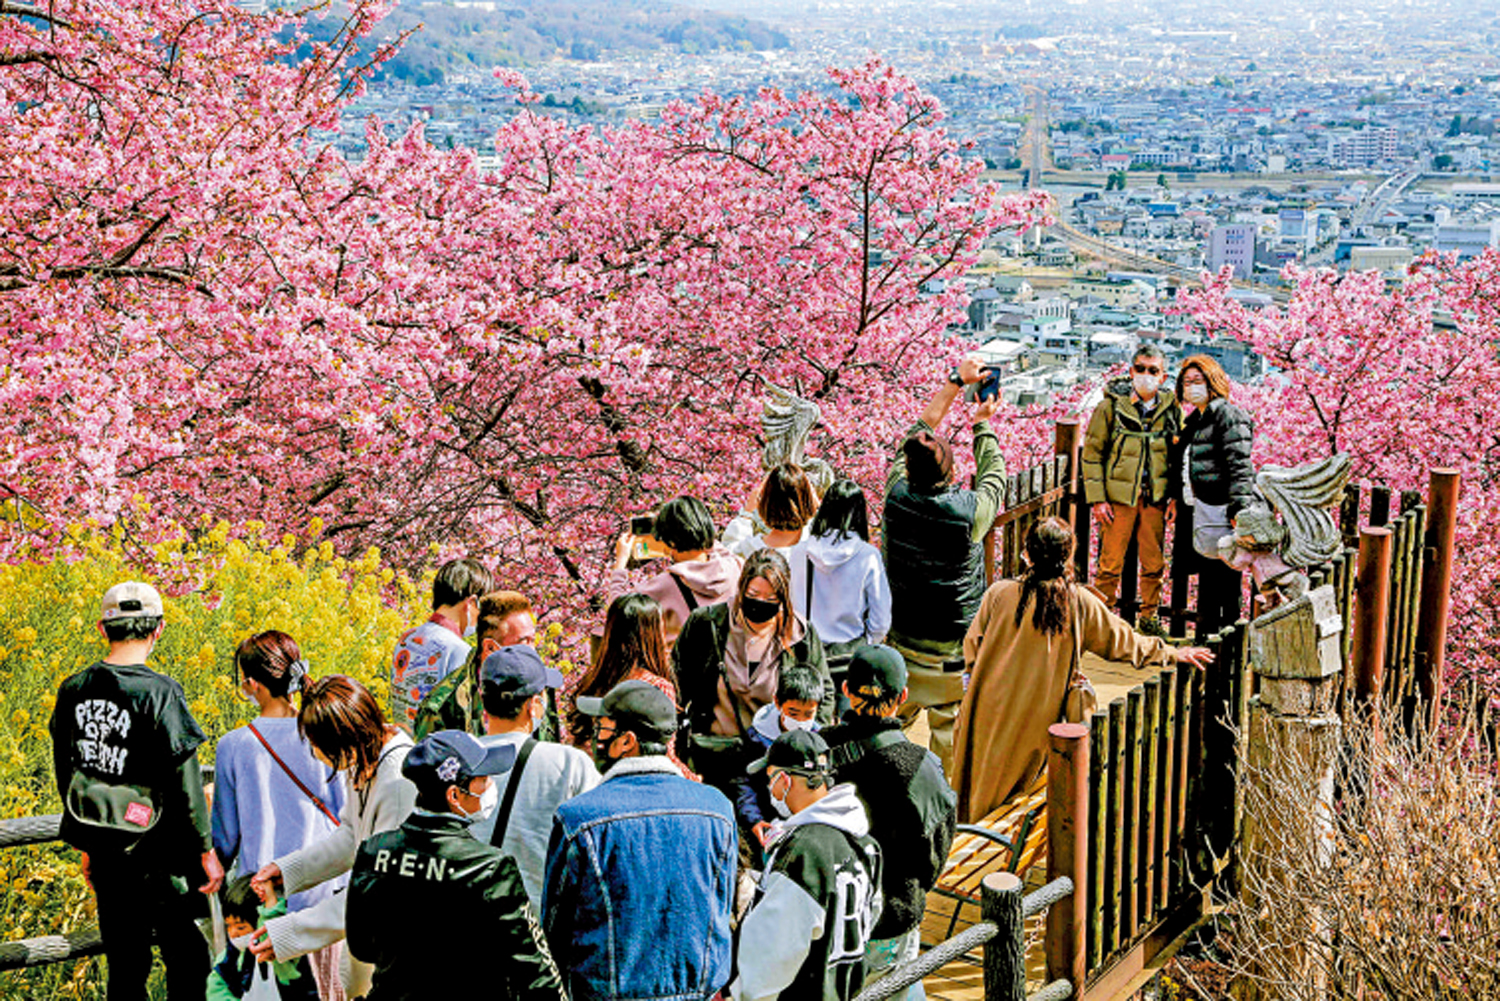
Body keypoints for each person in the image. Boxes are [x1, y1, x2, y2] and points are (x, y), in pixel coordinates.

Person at [952, 518, 1215, 823]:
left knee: (981, 783)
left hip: (986, 707)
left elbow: (972, 647)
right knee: (1017, 795)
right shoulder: (1079, 603)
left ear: (1027, 553)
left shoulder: (999, 594)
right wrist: (1172, 653)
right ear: (1069, 555)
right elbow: (1125, 642)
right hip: (1036, 718)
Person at [50, 581, 223, 1001]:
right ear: (157, 629)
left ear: (101, 628)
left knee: (125, 969)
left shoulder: (73, 689)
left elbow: (67, 775)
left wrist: (89, 844)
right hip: (163, 861)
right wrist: (206, 851)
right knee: (188, 962)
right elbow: (186, 782)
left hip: (109, 860)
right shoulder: (160, 692)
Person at [543, 680, 736, 1001]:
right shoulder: (718, 809)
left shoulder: (578, 818)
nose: (595, 738)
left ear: (626, 742)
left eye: (602, 728)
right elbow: (722, 906)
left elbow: (555, 930)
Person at [346, 730, 566, 1001]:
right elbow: (535, 971)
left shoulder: (374, 851)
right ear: (454, 795)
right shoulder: (491, 868)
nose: (489, 786)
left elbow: (362, 947)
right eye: (482, 779)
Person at [249, 676, 416, 999]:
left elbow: (379, 894)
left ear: (346, 739)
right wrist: (289, 871)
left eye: (317, 744)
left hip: (397, 960)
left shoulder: (398, 782)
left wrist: (290, 933)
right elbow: (351, 837)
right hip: (373, 949)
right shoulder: (366, 758)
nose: (314, 752)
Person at [883, 356, 1006, 775]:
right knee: (948, 733)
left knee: (891, 716)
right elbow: (994, 479)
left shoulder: (895, 497)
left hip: (902, 634)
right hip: (953, 643)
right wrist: (982, 423)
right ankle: (946, 801)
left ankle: (883, 778)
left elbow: (917, 434)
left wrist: (954, 382)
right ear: (951, 470)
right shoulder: (967, 512)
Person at [212, 631, 346, 996]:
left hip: (260, 901)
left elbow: (225, 837)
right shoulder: (323, 732)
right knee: (324, 991)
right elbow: (345, 815)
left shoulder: (234, 746)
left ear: (251, 684)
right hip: (322, 898)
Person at [820, 645, 957, 1000]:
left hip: (825, 918)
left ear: (846, 690)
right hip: (890, 918)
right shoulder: (920, 767)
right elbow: (935, 851)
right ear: (904, 697)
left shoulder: (815, 754)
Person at [730, 730, 883, 1001]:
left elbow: (772, 955)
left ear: (783, 780)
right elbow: (873, 912)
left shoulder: (802, 855)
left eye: (770, 779)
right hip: (845, 988)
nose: (770, 789)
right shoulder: (866, 841)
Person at [673, 548, 834, 789]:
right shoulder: (707, 624)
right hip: (713, 754)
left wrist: (805, 741)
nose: (760, 603)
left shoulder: (800, 635)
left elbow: (824, 693)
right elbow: (677, 683)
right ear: (741, 589)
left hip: (772, 762)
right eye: (753, 594)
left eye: (771, 600)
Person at [471, 644, 600, 906]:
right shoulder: (569, 764)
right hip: (536, 928)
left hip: (467, 924)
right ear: (533, 705)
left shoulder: (460, 759)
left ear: (483, 699)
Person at [1082, 345, 1181, 636]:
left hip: (1155, 498)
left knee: (1154, 563)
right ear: (1131, 371)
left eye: (1153, 370)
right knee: (1110, 563)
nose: (1146, 375)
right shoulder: (1109, 407)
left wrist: (1174, 494)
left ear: (1163, 377)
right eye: (1141, 369)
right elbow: (1092, 453)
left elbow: (1179, 455)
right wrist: (1098, 499)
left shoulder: (1171, 409)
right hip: (1118, 499)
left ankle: (1149, 618)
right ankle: (1101, 622)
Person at [561, 593, 695, 778]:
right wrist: (694, 780)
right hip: (634, 782)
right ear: (654, 634)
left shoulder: (591, 682)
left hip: (588, 780)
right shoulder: (656, 688)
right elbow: (664, 754)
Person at [1174, 354, 1257, 636]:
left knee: (1226, 580)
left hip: (1222, 511)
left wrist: (1239, 509)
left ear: (1214, 382)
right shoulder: (1195, 420)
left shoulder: (1226, 414)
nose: (1191, 387)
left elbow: (1240, 466)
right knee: (1208, 580)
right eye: (1186, 382)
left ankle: (1227, 645)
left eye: (1198, 381)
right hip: (1201, 509)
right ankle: (1207, 641)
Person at [801, 478, 892, 717]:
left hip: (811, 654)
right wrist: (868, 643)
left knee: (812, 727)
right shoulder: (868, 556)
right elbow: (881, 617)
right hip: (850, 656)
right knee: (847, 730)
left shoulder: (802, 552)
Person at [609, 495, 743, 651]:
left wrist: (621, 561)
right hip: (732, 668)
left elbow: (617, 611)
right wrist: (696, 534)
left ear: (670, 542)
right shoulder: (736, 566)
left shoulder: (664, 585)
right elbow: (717, 549)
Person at [413, 589, 537, 738]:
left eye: (533, 641)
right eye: (524, 643)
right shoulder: (443, 707)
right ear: (490, 648)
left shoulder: (540, 686)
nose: (533, 652)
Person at [389, 558, 492, 732]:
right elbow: (462, 721)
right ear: (472, 603)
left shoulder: (406, 638)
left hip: (402, 747)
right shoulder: (459, 651)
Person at [735, 664, 823, 847]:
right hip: (767, 820)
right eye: (793, 713)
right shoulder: (757, 737)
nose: (800, 721)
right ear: (777, 702)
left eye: (808, 714)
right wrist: (754, 819)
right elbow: (745, 782)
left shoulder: (819, 739)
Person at [209, 876, 318, 1001]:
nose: (233, 933)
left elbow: (271, 933)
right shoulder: (233, 954)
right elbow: (217, 984)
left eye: (241, 927)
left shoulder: (286, 954)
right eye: (228, 926)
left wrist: (270, 906)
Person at [720, 462, 820, 581]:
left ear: (764, 503)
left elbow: (728, 549)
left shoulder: (750, 550)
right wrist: (815, 506)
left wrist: (746, 514)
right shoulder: (816, 548)